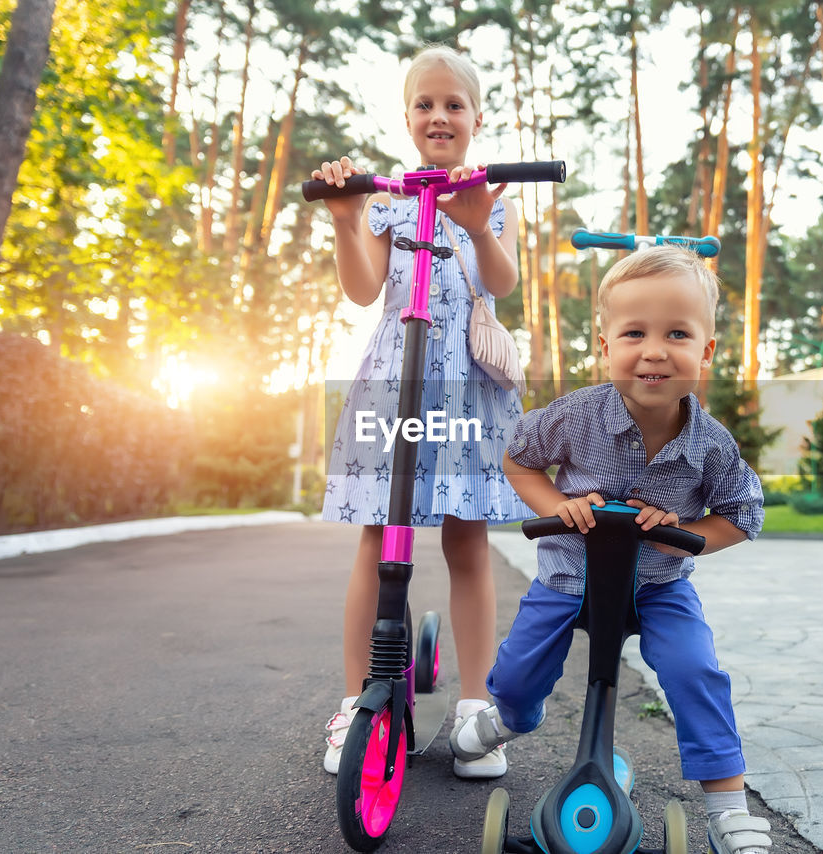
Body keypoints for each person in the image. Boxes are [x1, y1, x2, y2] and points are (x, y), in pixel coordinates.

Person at [450, 246, 774, 853]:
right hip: (568, 579)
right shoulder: (575, 417)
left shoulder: (711, 445)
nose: (654, 350)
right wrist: (557, 507)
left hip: (658, 586)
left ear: (705, 352)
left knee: (694, 669)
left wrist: (684, 530)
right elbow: (520, 462)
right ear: (604, 347)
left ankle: (729, 808)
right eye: (634, 333)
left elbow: (743, 515)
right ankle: (504, 720)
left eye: (677, 333)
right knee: (518, 679)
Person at [310, 44, 527, 780]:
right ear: (406, 118)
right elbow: (364, 290)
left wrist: (474, 221)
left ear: (475, 117)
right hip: (393, 387)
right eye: (425, 104)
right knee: (379, 539)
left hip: (466, 390)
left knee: (468, 543)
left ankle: (474, 709)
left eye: (453, 104)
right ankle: (355, 703)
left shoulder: (491, 196)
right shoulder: (386, 200)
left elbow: (502, 279)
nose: (440, 115)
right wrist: (346, 220)